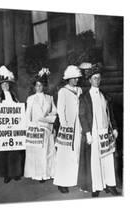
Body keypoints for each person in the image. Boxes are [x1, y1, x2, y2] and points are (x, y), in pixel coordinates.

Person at [78, 63, 120, 197]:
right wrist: (87, 133)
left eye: (99, 78)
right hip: (94, 133)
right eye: (94, 78)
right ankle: (96, 187)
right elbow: (82, 115)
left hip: (105, 132)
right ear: (89, 80)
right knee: (95, 160)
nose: (97, 80)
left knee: (108, 159)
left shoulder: (105, 96)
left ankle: (110, 184)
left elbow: (110, 114)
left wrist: (114, 127)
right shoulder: (84, 97)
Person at [24, 68, 57, 182]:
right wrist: (28, 128)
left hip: (47, 129)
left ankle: (47, 173)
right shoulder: (30, 99)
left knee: (48, 152)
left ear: (44, 86)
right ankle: (38, 174)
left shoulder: (49, 98)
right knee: (37, 154)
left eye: (41, 85)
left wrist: (47, 119)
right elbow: (27, 115)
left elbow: (54, 112)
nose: (39, 87)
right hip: (35, 130)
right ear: (34, 87)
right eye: (37, 85)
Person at [53, 65, 82, 193]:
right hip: (67, 128)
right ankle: (61, 182)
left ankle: (73, 179)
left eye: (77, 78)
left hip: (79, 127)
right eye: (73, 78)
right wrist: (65, 125)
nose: (76, 80)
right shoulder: (63, 91)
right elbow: (60, 110)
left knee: (75, 153)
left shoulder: (80, 90)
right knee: (64, 155)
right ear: (68, 79)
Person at [0, 65, 25, 183]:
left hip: (14, 128)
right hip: (3, 129)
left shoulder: (14, 96)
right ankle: (6, 174)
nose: (5, 85)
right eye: (3, 84)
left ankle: (15, 173)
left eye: (7, 83)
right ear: (0, 85)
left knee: (15, 151)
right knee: (4, 152)